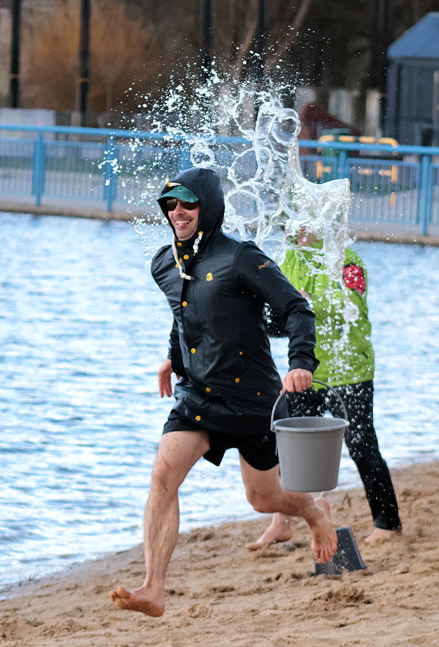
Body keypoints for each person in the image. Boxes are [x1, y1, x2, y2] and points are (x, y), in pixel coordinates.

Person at [109, 167, 338, 618]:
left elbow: (297, 308)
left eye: (188, 203)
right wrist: (172, 357)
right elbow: (183, 313)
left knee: (262, 499)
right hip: (197, 396)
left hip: (253, 399)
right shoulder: (164, 264)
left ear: (208, 208)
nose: (177, 212)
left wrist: (300, 364)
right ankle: (154, 587)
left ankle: (313, 511)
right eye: (170, 204)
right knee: (163, 475)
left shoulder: (240, 257)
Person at [246, 228, 402, 549]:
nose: (295, 226)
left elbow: (347, 311)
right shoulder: (288, 258)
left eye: (305, 218)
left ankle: (387, 524)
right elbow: (278, 320)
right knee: (287, 448)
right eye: (292, 217)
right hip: (304, 370)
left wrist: (302, 304)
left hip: (350, 370)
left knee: (362, 446)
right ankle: (281, 521)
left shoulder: (348, 260)